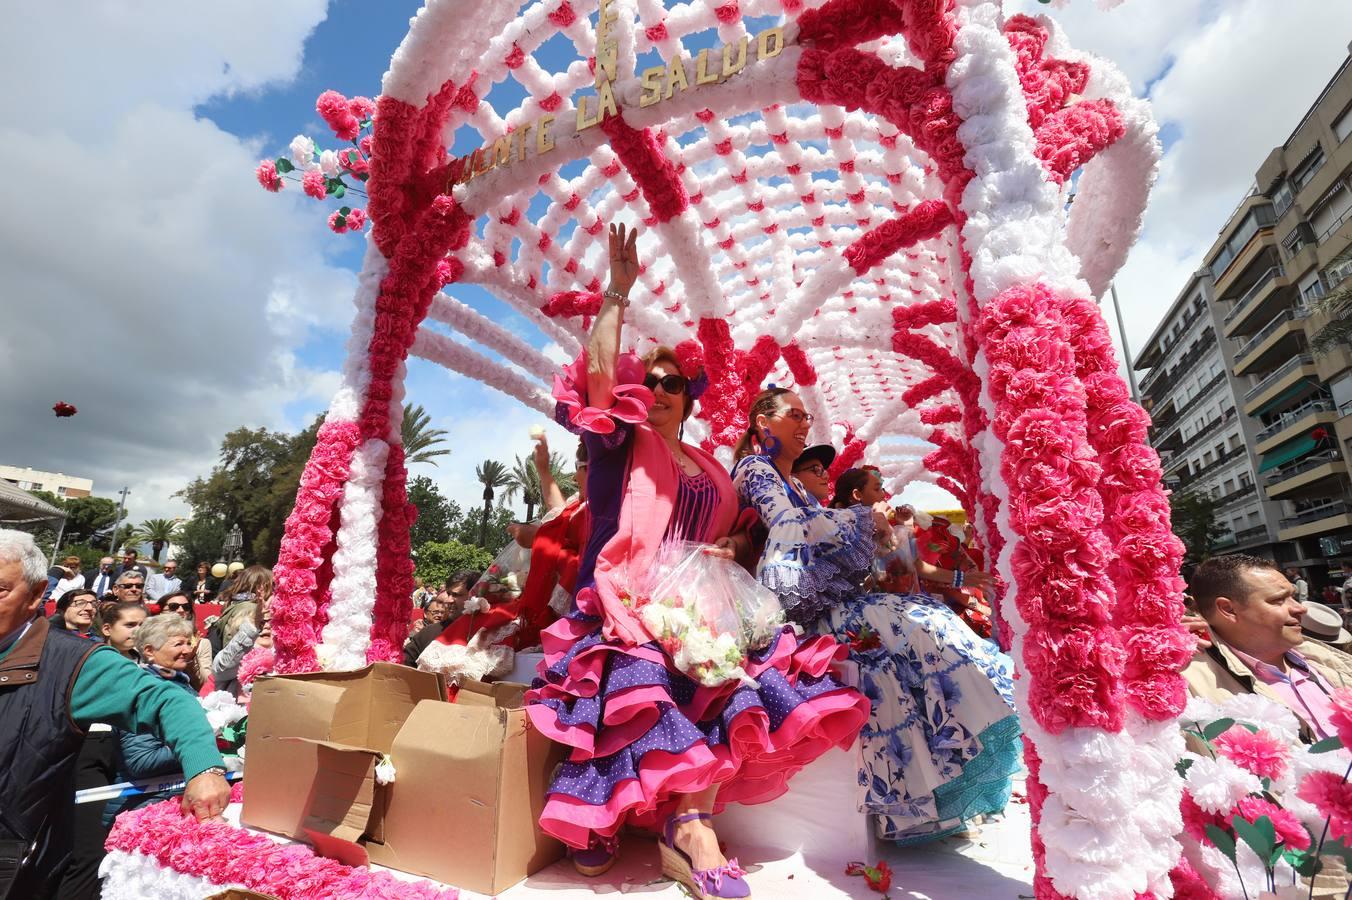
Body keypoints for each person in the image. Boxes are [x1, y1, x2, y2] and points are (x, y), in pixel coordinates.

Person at [523, 224, 869, 898]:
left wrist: (734, 547)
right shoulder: (618, 446)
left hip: (705, 604)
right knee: (650, 669)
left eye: (673, 381)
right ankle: (629, 818)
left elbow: (745, 531)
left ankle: (689, 826)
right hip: (628, 601)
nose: (659, 389)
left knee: (739, 673)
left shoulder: (714, 466)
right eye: (648, 381)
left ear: (690, 392)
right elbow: (598, 378)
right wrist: (617, 292)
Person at [731, 388, 1020, 846]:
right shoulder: (756, 470)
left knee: (924, 628)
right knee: (905, 635)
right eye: (795, 415)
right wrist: (864, 520)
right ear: (763, 424)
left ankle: (934, 793)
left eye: (808, 416)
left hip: (831, 606)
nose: (805, 424)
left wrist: (880, 528)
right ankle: (910, 805)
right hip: (795, 616)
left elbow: (864, 551)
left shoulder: (800, 487)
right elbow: (789, 527)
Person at [0, 529, 227, 899]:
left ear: (37, 594)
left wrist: (205, 768)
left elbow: (167, 701)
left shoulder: (75, 664)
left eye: (0, 590)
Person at [1183, 555, 1352, 897]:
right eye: (1279, 600)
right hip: (1309, 876)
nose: (1300, 609)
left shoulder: (1331, 665)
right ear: (1228, 610)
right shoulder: (1190, 678)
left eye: (1293, 595)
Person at [103, 613, 203, 825]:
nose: (187, 650)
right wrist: (205, 742)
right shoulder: (142, 692)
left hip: (175, 801)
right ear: (149, 651)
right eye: (178, 644)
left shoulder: (182, 684)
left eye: (188, 643)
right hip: (147, 808)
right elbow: (142, 760)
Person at [404, 573, 481, 667]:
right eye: (448, 594)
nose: (448, 600)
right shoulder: (428, 633)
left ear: (475, 596)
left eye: (456, 595)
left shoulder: (489, 636)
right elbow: (403, 666)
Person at [212, 590, 273, 697]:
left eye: (271, 622)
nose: (267, 626)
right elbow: (222, 668)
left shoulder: (284, 659)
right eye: (261, 623)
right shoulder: (234, 657)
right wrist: (252, 625)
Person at [159, 591, 211, 688]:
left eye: (186, 607)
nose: (181, 610)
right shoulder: (149, 639)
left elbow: (205, 684)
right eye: (174, 606)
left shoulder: (201, 643)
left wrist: (190, 660)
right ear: (161, 611)